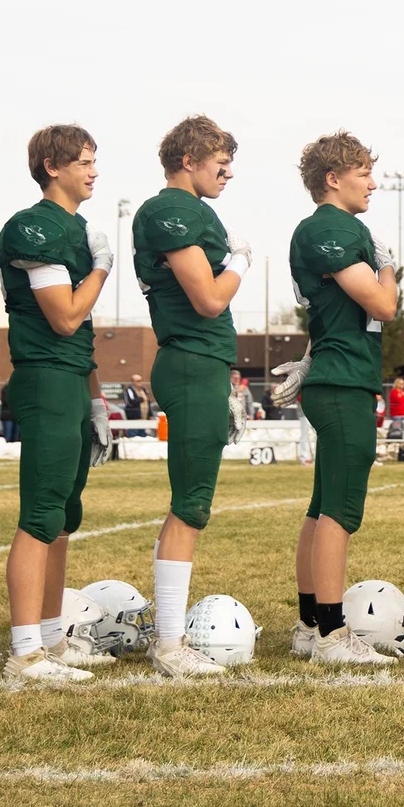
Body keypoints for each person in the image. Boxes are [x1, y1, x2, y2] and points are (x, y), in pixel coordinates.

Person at [0, 125, 118, 687]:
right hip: (43, 378)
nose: (93, 171)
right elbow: (65, 316)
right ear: (52, 166)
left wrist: (96, 400)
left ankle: (49, 639)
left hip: (70, 378)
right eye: (84, 162)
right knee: (41, 514)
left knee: (65, 516)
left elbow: (81, 334)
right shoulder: (34, 226)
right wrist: (100, 269)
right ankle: (24, 654)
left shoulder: (75, 226)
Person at [131, 115, 251, 679]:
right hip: (189, 359)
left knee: (190, 502)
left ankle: (168, 634)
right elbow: (206, 298)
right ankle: (171, 643)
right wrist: (241, 264)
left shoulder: (189, 211)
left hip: (198, 362)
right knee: (191, 504)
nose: (227, 173)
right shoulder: (173, 210)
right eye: (218, 162)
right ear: (188, 160)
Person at [283, 132, 399, 668]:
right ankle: (331, 631)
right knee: (340, 511)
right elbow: (382, 304)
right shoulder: (331, 226)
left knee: (320, 507)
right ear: (333, 177)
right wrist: (389, 269)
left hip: (335, 372)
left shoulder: (335, 229)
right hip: (343, 378)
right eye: (362, 172)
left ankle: (310, 625)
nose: (372, 182)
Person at [385, 376, 404, 443]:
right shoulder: (394, 392)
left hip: (403, 413)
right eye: (401, 383)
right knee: (396, 430)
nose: (402, 385)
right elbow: (398, 400)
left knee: (403, 430)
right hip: (396, 414)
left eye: (403, 383)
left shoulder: (403, 392)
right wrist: (401, 398)